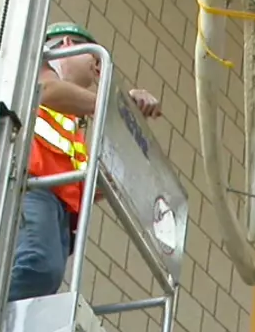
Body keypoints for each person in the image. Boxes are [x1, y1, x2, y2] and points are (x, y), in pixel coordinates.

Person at [10, 22, 163, 302]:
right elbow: (45, 90)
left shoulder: (71, 120)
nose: (97, 70)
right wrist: (113, 103)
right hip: (33, 188)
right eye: (93, 59)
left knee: (46, 274)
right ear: (67, 44)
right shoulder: (37, 70)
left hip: (58, 205)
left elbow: (84, 185)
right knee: (37, 268)